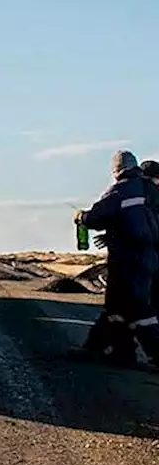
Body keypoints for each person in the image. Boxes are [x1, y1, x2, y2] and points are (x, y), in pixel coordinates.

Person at [75, 151, 159, 368]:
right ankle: (118, 353)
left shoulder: (121, 190)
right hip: (147, 256)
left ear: (116, 170)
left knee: (137, 307)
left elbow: (96, 216)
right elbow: (139, 219)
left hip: (130, 258)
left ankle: (153, 354)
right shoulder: (147, 189)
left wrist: (81, 217)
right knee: (117, 306)